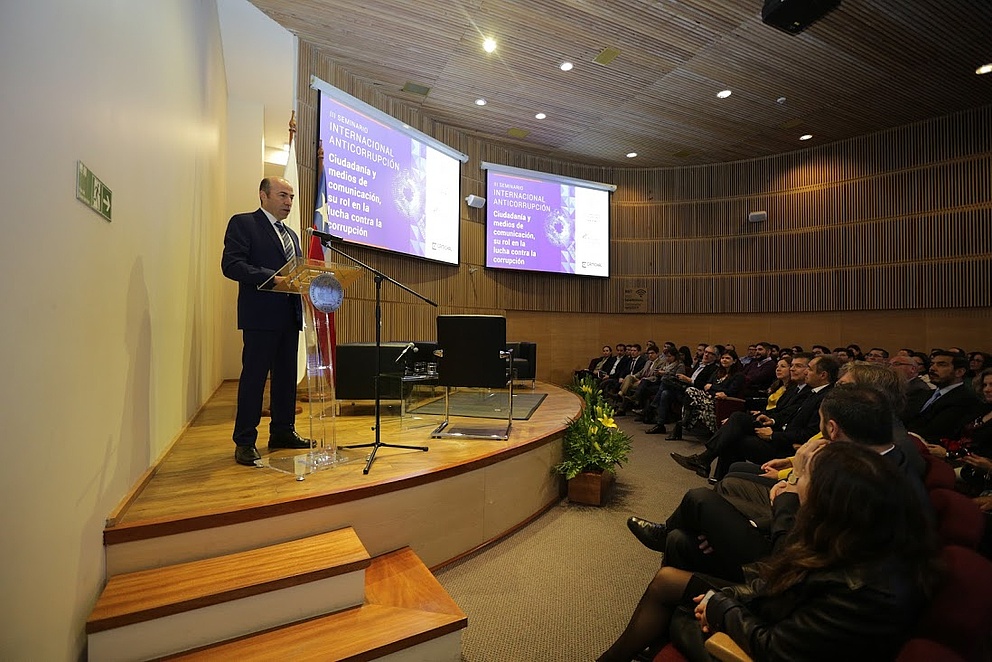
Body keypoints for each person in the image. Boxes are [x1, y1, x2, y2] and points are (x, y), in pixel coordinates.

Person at [600, 442, 938, 662]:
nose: (792, 483)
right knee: (670, 577)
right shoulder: (856, 534)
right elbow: (780, 586)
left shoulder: (859, 589)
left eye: (802, 478)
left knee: (675, 603)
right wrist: (727, 597)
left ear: (828, 499)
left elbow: (774, 648)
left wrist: (722, 607)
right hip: (777, 614)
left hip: (761, 648)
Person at [221, 177, 313, 466]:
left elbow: (296, 273)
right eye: (283, 195)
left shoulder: (292, 236)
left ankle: (282, 432)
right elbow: (231, 265)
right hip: (260, 316)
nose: (288, 202)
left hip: (289, 315)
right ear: (263, 195)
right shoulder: (244, 223)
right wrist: (272, 278)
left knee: (286, 380)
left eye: (292, 197)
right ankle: (245, 440)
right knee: (255, 379)